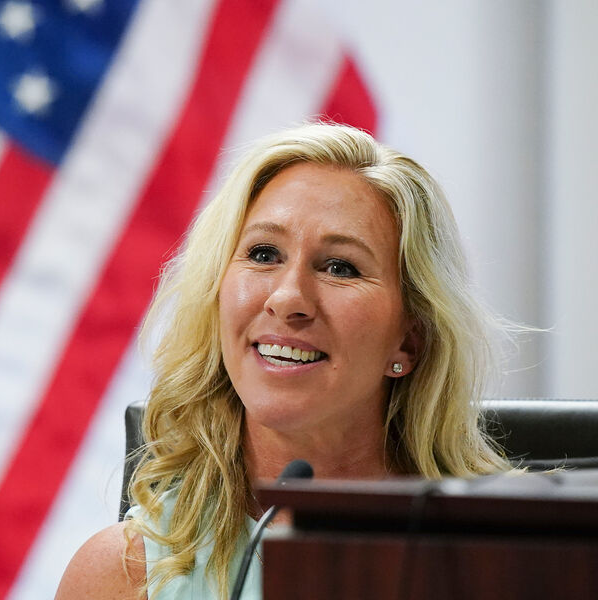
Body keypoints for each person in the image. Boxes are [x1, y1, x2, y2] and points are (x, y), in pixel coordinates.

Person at [56, 122, 512, 600]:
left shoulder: (506, 563)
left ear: (409, 343)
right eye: (263, 254)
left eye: (340, 267)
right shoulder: (123, 575)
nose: (287, 297)